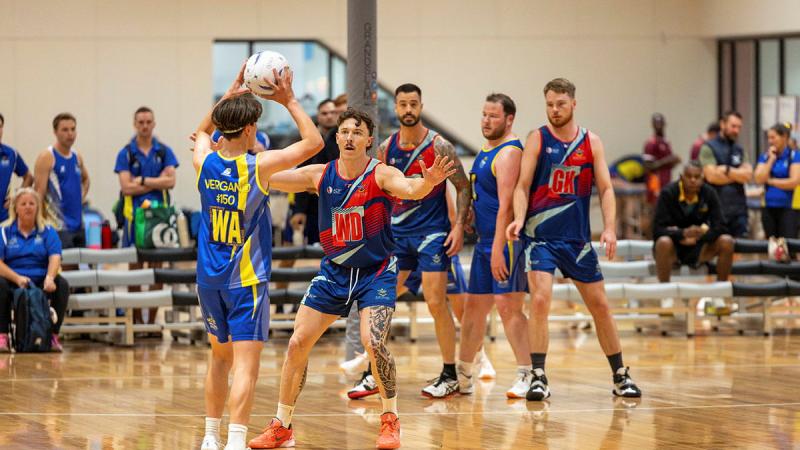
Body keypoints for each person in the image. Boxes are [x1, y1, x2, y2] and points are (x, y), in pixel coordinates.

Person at [247, 108, 455, 450]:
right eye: (344, 131)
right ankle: (282, 424)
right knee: (297, 343)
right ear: (337, 137)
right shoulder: (321, 175)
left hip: (376, 271)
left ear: (368, 141)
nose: (348, 137)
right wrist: (243, 161)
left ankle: (390, 419)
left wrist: (429, 181)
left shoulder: (383, 174)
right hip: (335, 271)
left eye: (357, 133)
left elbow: (411, 187)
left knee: (373, 342)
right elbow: (270, 178)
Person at [193, 64, 323, 450]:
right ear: (250, 130)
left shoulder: (205, 161)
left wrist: (229, 95)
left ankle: (210, 438)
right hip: (245, 281)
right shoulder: (259, 166)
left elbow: (201, 133)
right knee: (246, 364)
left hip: (208, 279)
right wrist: (290, 101)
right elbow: (313, 142)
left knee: (219, 360)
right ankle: (235, 441)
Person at [507, 78, 642, 401]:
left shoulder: (591, 142)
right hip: (540, 238)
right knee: (540, 300)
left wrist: (609, 228)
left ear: (574, 104)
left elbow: (607, 189)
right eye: (550, 105)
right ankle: (539, 374)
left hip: (577, 241)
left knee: (600, 305)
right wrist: (519, 217)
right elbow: (522, 185)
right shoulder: (537, 139)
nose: (554, 110)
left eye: (560, 104)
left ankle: (620, 374)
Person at [376, 83, 472, 399]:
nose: (407, 109)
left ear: (421, 106)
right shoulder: (386, 148)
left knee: (435, 300)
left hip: (432, 231)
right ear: (396, 108)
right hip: (398, 234)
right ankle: (372, 369)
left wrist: (458, 226)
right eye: (402, 104)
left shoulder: (439, 146)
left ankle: (449, 372)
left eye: (413, 104)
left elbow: (463, 186)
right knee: (382, 299)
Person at [456, 93, 531, 399]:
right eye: (484, 115)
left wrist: (499, 246)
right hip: (486, 242)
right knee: (474, 308)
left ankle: (528, 373)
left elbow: (507, 207)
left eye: (493, 116)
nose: (486, 121)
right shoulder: (487, 150)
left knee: (508, 307)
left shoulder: (510, 153)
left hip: (507, 243)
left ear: (509, 119)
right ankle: (461, 373)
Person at [114, 106, 179, 332]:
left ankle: (151, 322)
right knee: (136, 268)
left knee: (156, 269)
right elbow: (126, 188)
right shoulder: (126, 153)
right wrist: (155, 180)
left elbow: (171, 182)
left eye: (148, 122)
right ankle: (137, 323)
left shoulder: (164, 151)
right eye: (140, 122)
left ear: (154, 123)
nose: (144, 126)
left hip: (159, 219)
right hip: (135, 220)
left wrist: (141, 180)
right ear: (135, 124)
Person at [0, 188, 69, 353]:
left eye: (32, 203)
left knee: (63, 284)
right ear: (16, 208)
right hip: (13, 279)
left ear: (37, 207)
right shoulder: (4, 231)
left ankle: (52, 336)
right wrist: (17, 278)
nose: (28, 207)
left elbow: (55, 257)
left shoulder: (48, 231)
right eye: (23, 204)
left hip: (40, 281)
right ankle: (3, 336)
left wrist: (50, 277)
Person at [653, 162, 734, 282]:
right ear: (681, 177)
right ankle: (665, 295)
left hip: (700, 245)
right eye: (689, 176)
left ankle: (719, 294)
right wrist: (683, 234)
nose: (692, 180)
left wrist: (698, 237)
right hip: (674, 246)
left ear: (702, 178)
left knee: (727, 241)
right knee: (663, 242)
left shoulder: (709, 193)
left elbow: (721, 226)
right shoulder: (668, 193)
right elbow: (657, 230)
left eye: (697, 177)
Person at [34, 113, 90, 249]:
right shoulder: (47, 157)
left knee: (79, 266)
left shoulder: (76, 156)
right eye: (65, 130)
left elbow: (86, 179)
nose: (70, 134)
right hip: (57, 225)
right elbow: (38, 194)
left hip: (77, 222)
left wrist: (81, 198)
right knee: (64, 266)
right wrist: (39, 225)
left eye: (73, 129)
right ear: (55, 132)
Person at [698, 111, 753, 238]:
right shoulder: (708, 147)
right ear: (722, 124)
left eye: (739, 127)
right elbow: (711, 176)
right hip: (716, 209)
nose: (736, 130)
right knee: (718, 247)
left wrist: (727, 170)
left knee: (740, 248)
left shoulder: (739, 149)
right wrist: (737, 175)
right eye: (733, 126)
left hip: (739, 210)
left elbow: (748, 176)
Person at [754, 122, 800, 260]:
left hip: (789, 207)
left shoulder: (794, 156)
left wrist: (771, 181)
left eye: (773, 137)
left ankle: (793, 279)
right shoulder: (766, 156)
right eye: (768, 138)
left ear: (784, 137)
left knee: (788, 247)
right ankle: (777, 278)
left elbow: (793, 181)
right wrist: (770, 161)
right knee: (773, 248)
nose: (770, 141)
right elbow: (758, 178)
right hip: (768, 206)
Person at [0, 114, 34, 222]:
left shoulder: (11, 154)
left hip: (4, 218)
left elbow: (28, 177)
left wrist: (16, 197)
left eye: (0, 126)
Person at [643, 113, 680, 203]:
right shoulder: (651, 143)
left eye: (660, 123)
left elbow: (668, 165)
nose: (658, 125)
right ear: (652, 125)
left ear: (664, 124)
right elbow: (648, 166)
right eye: (656, 123)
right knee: (655, 212)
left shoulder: (666, 142)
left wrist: (674, 161)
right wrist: (668, 160)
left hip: (666, 182)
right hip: (656, 184)